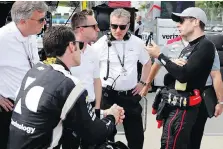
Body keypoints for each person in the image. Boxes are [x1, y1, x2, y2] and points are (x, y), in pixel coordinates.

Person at [7, 25, 125, 149]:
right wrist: (112, 117)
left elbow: (49, 111)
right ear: (71, 46)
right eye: (80, 45)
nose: (81, 49)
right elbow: (95, 133)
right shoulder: (68, 83)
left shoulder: (35, 70)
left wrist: (103, 113)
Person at [146, 7, 222, 149]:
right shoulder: (190, 47)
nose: (177, 24)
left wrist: (160, 56)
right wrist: (172, 63)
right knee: (169, 143)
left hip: (188, 107)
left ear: (195, 22)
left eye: (181, 20)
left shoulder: (205, 45)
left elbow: (183, 75)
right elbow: (173, 75)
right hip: (176, 106)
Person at [92, 8, 152, 149]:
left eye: (122, 27)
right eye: (114, 26)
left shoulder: (137, 43)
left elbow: (147, 63)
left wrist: (142, 83)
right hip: (108, 96)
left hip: (130, 96)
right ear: (110, 25)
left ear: (129, 25)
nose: (118, 30)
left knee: (136, 138)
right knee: (106, 137)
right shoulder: (101, 43)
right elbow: (90, 66)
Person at [0, 1, 47, 148]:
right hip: (7, 110)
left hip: (28, 107)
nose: (44, 23)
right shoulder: (3, 38)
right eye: (41, 19)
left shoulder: (31, 34)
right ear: (22, 21)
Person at [66, 9, 101, 149]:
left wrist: (97, 108)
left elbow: (96, 80)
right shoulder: (66, 51)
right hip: (71, 110)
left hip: (90, 107)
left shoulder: (93, 51)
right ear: (81, 29)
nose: (98, 29)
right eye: (94, 26)